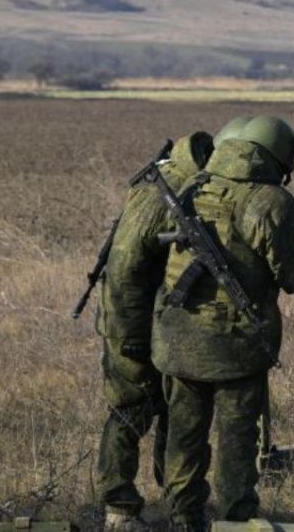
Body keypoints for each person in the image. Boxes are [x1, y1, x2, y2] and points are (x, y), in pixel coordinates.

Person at [151, 115, 294, 532]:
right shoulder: (269, 202)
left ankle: (182, 517)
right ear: (276, 160)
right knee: (237, 443)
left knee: (183, 437)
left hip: (177, 339)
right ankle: (234, 521)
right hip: (236, 346)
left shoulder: (189, 187)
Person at [94, 131, 214, 532]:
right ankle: (119, 507)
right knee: (129, 409)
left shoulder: (176, 187)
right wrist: (128, 334)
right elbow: (125, 269)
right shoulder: (158, 196)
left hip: (162, 324)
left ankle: (177, 503)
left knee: (173, 412)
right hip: (132, 321)